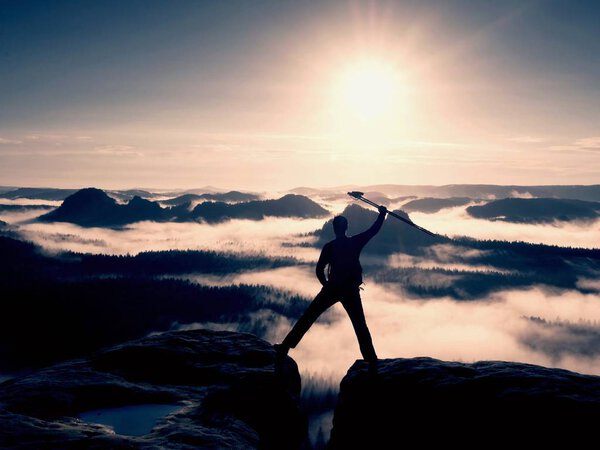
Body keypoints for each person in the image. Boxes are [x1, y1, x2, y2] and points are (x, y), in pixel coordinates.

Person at [275, 205, 388, 367]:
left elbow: (319, 270)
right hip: (350, 291)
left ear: (334, 229)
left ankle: (285, 347)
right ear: (346, 227)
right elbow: (372, 231)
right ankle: (370, 359)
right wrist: (382, 215)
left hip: (332, 288)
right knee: (360, 325)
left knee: (308, 316)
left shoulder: (329, 247)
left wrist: (326, 285)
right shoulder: (354, 243)